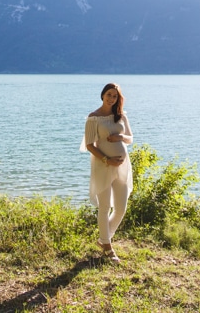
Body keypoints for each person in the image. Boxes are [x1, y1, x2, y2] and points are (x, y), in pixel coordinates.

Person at [80, 82, 134, 263]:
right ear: (103, 95)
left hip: (122, 166)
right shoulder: (93, 118)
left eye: (115, 96)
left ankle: (104, 239)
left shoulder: (121, 116)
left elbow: (130, 139)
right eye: (109, 95)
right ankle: (108, 248)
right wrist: (107, 160)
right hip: (102, 166)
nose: (111, 98)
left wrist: (120, 137)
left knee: (120, 209)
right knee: (105, 207)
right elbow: (89, 145)